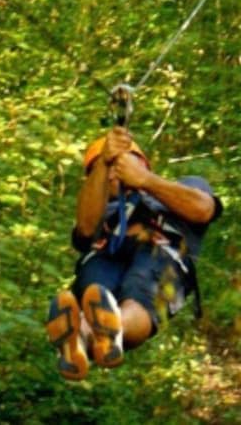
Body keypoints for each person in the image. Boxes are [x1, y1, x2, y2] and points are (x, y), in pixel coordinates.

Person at [45, 126, 222, 380]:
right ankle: (78, 341)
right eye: (102, 168)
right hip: (106, 255)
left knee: (142, 290)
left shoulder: (182, 187)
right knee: (96, 288)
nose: (111, 172)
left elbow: (203, 209)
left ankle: (115, 329)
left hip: (161, 254)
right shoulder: (97, 208)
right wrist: (103, 163)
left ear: (141, 163)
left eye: (118, 163)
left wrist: (144, 180)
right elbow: (84, 229)